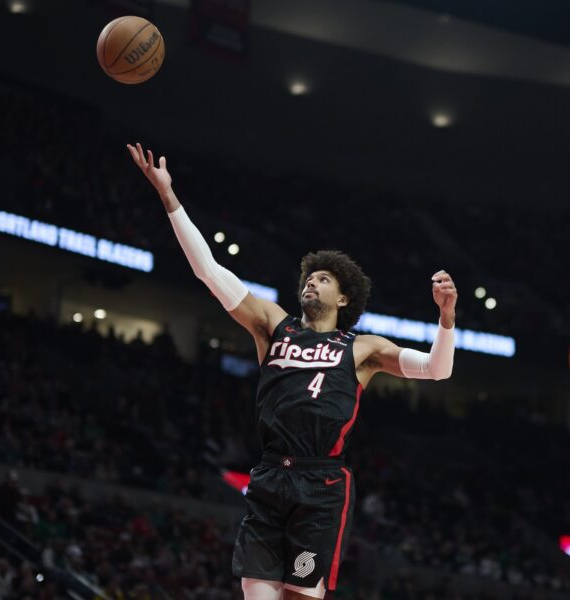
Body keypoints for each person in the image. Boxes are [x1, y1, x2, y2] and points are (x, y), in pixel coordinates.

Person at [127, 144, 458, 600]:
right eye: (309, 276)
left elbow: (435, 371)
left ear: (344, 299)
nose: (311, 281)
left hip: (320, 486)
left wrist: (446, 319)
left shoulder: (362, 348)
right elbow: (209, 271)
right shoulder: (272, 324)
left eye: (323, 278)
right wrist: (169, 198)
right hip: (268, 477)